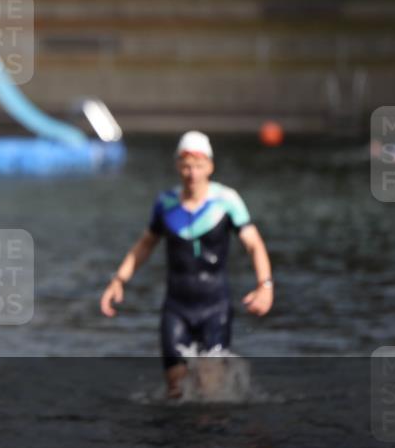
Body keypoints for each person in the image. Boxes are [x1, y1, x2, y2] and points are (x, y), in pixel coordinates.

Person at [99, 131, 273, 399]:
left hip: (215, 307)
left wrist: (265, 285)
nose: (192, 173)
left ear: (210, 167)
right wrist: (118, 280)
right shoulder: (165, 203)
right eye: (186, 166)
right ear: (177, 166)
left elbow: (254, 244)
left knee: (210, 389)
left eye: (199, 166)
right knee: (176, 389)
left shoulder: (227, 201)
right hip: (177, 308)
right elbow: (145, 244)